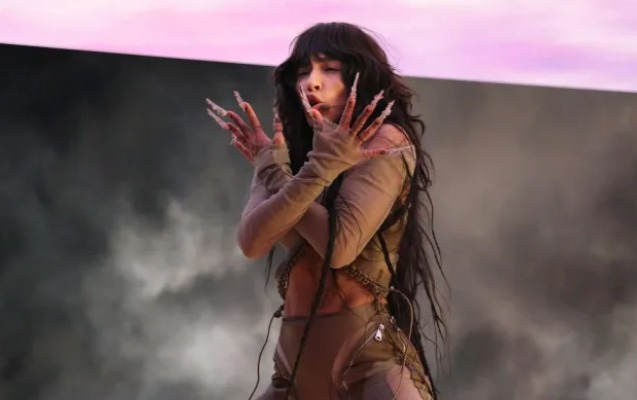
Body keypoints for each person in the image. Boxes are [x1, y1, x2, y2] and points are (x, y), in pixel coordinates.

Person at [206, 22, 446, 400]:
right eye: (303, 71)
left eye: (329, 68)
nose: (311, 83)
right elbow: (251, 242)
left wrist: (282, 173)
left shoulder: (383, 140)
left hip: (366, 360)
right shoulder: (285, 150)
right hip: (293, 364)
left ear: (359, 75)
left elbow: (340, 247)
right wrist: (299, 170)